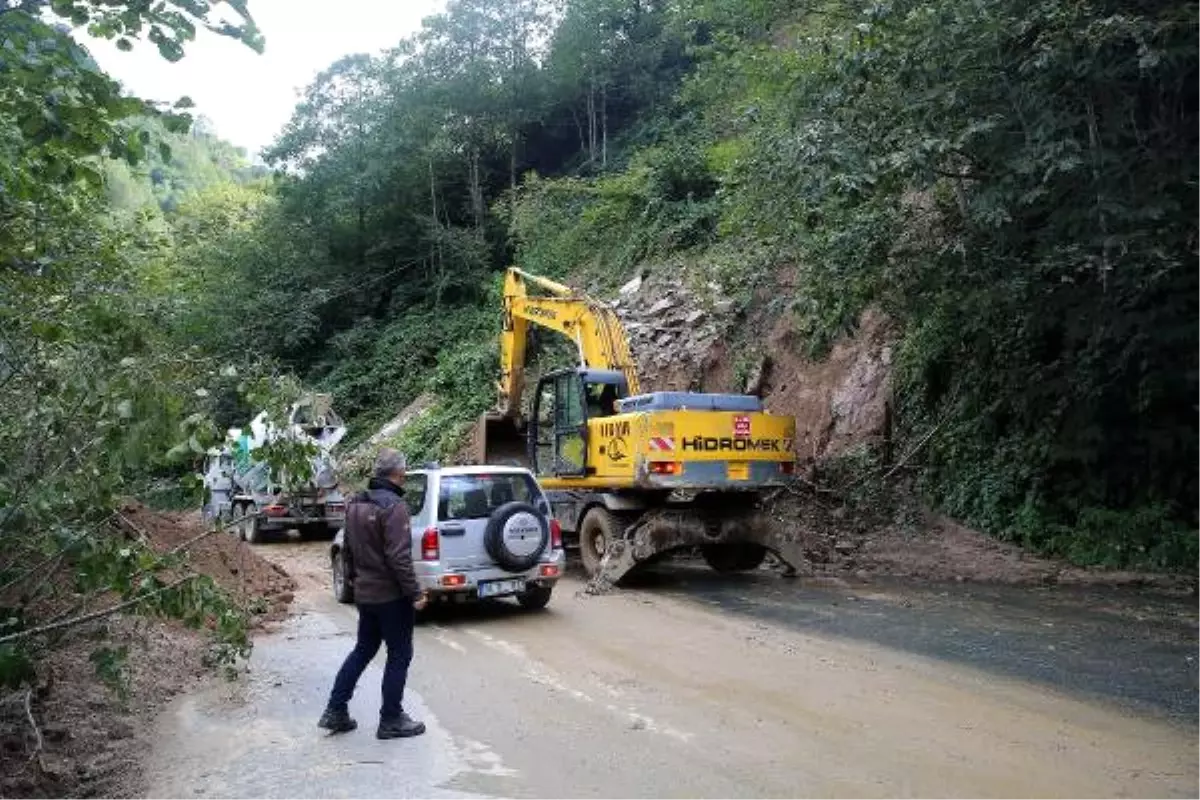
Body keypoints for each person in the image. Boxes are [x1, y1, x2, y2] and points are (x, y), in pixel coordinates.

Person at [318, 448, 429, 739]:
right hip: (391, 596)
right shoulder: (394, 507)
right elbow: (399, 557)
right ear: (400, 473)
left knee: (363, 650)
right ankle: (391, 718)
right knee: (399, 654)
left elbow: (349, 550)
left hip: (365, 594)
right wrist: (415, 593)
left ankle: (335, 709)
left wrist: (355, 583)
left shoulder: (356, 503)